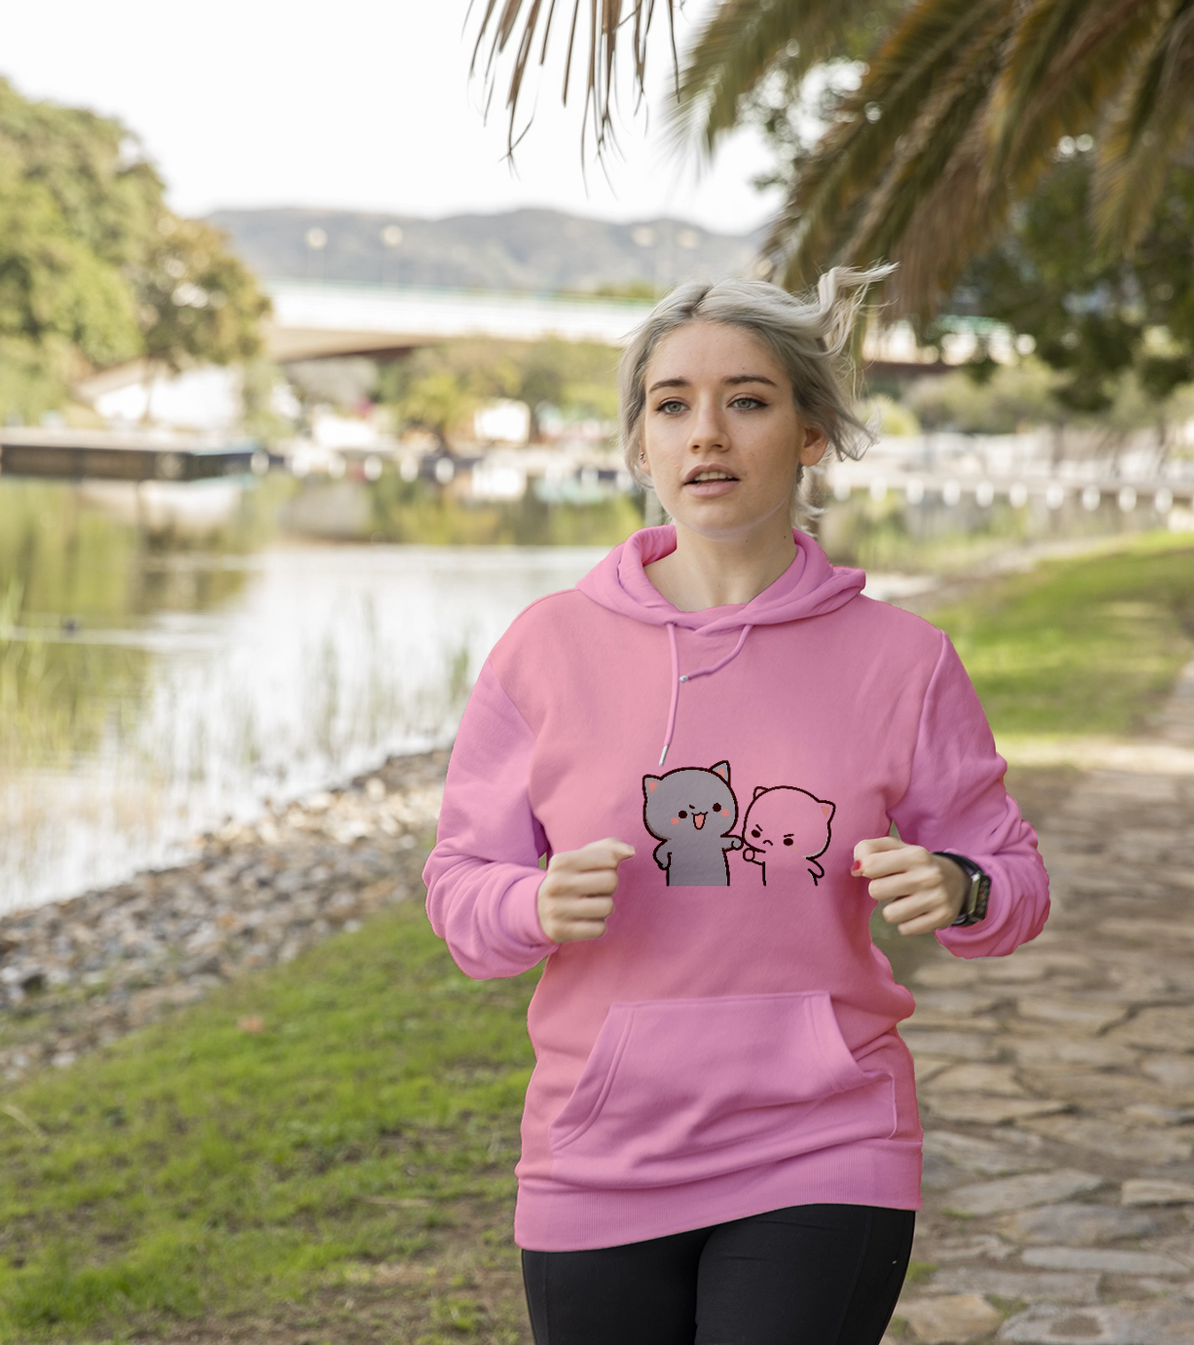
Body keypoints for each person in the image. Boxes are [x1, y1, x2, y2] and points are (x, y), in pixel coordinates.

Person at [423, 266, 1050, 1345]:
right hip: (597, 1149)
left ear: (810, 434)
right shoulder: (546, 647)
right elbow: (459, 888)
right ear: (640, 443)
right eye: (672, 405)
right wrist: (530, 905)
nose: (705, 432)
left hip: (823, 1143)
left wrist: (961, 886)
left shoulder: (901, 661)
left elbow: (1015, 880)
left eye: (746, 400)